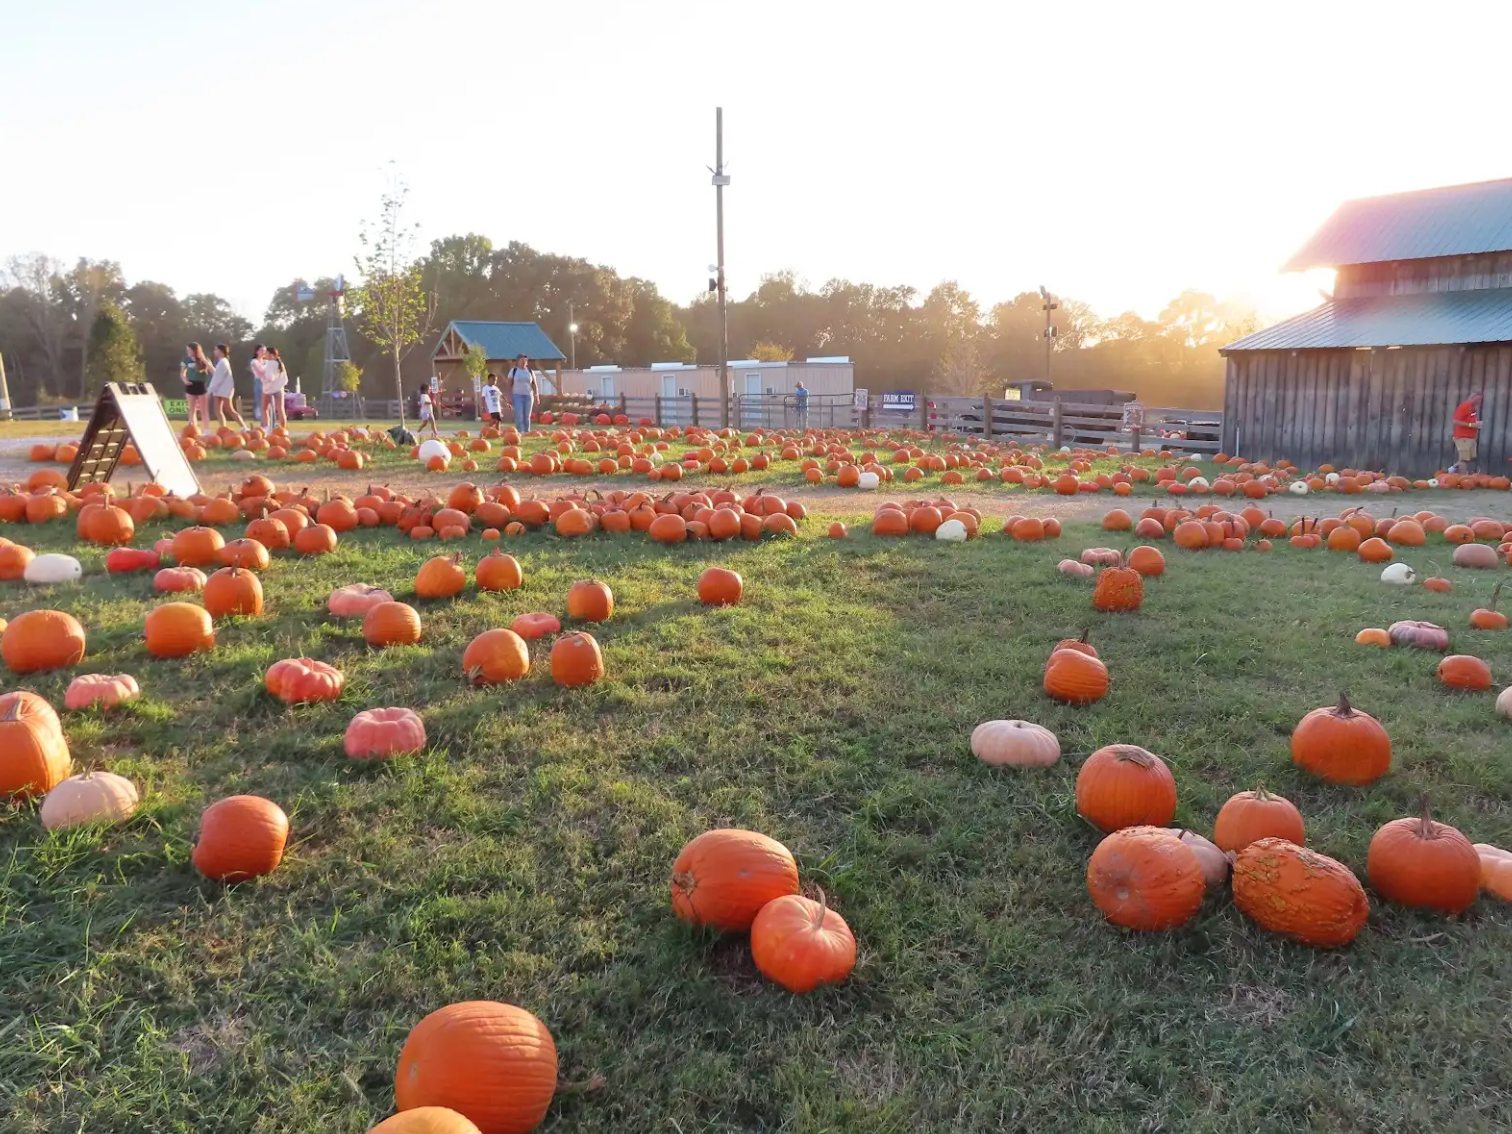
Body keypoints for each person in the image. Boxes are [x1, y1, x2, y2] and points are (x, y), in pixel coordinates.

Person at [207, 343, 246, 430]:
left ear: (221, 351)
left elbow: (217, 378)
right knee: (217, 410)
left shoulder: (223, 362)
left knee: (229, 409)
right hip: (219, 390)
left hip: (225, 389)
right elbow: (216, 374)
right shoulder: (221, 362)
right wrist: (210, 366)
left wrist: (209, 391)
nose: (214, 351)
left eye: (216, 349)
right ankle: (223, 428)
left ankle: (244, 427)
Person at [181, 342, 212, 431]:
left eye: (190, 350)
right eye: (187, 350)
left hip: (201, 385)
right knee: (192, 409)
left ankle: (206, 430)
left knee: (203, 410)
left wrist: (204, 359)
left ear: (195, 350)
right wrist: (185, 380)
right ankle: (193, 428)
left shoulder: (204, 359)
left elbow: (212, 370)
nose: (188, 352)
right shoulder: (186, 359)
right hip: (190, 385)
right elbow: (182, 373)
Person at [1450, 391, 1483, 474]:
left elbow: (1470, 420)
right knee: (1464, 459)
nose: (1479, 401)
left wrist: (1477, 423)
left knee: (1470, 457)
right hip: (1463, 437)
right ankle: (1463, 478)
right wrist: (1471, 425)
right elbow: (1455, 421)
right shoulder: (1464, 406)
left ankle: (1451, 470)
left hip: (1471, 437)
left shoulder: (1473, 407)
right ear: (1472, 397)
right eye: (1478, 399)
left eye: (1480, 399)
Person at [508, 353, 538, 434]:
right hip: (517, 395)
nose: (524, 361)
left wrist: (536, 396)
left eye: (525, 360)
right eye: (522, 360)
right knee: (519, 415)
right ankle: (520, 432)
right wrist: (509, 397)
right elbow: (509, 385)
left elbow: (534, 384)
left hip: (528, 396)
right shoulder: (513, 371)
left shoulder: (530, 371)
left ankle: (526, 432)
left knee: (527, 416)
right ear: (517, 361)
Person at [262, 347, 289, 430]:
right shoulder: (280, 364)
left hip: (269, 389)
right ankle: (283, 429)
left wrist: (263, 379)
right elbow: (285, 379)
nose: (265, 354)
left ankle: (267, 428)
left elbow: (269, 377)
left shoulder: (270, 364)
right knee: (280, 409)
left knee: (264, 408)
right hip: (279, 389)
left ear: (271, 354)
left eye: (266, 353)